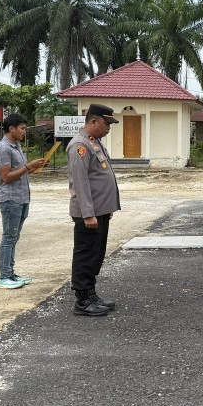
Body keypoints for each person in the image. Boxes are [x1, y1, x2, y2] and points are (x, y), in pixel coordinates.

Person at [67, 104, 122, 317]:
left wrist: (106, 208)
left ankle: (91, 294)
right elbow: (80, 183)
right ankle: (82, 302)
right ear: (93, 122)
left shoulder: (93, 142)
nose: (109, 128)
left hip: (99, 211)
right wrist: (88, 213)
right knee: (85, 255)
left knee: (96, 255)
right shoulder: (79, 145)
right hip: (88, 214)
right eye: (106, 123)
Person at [0, 113, 47, 289]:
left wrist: (34, 167)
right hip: (10, 198)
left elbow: (21, 172)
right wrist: (28, 166)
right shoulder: (4, 148)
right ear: (12, 129)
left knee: (14, 236)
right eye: (22, 128)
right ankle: (4, 276)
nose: (25, 131)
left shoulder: (16, 146)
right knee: (9, 237)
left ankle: (10, 273)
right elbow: (6, 177)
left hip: (22, 197)